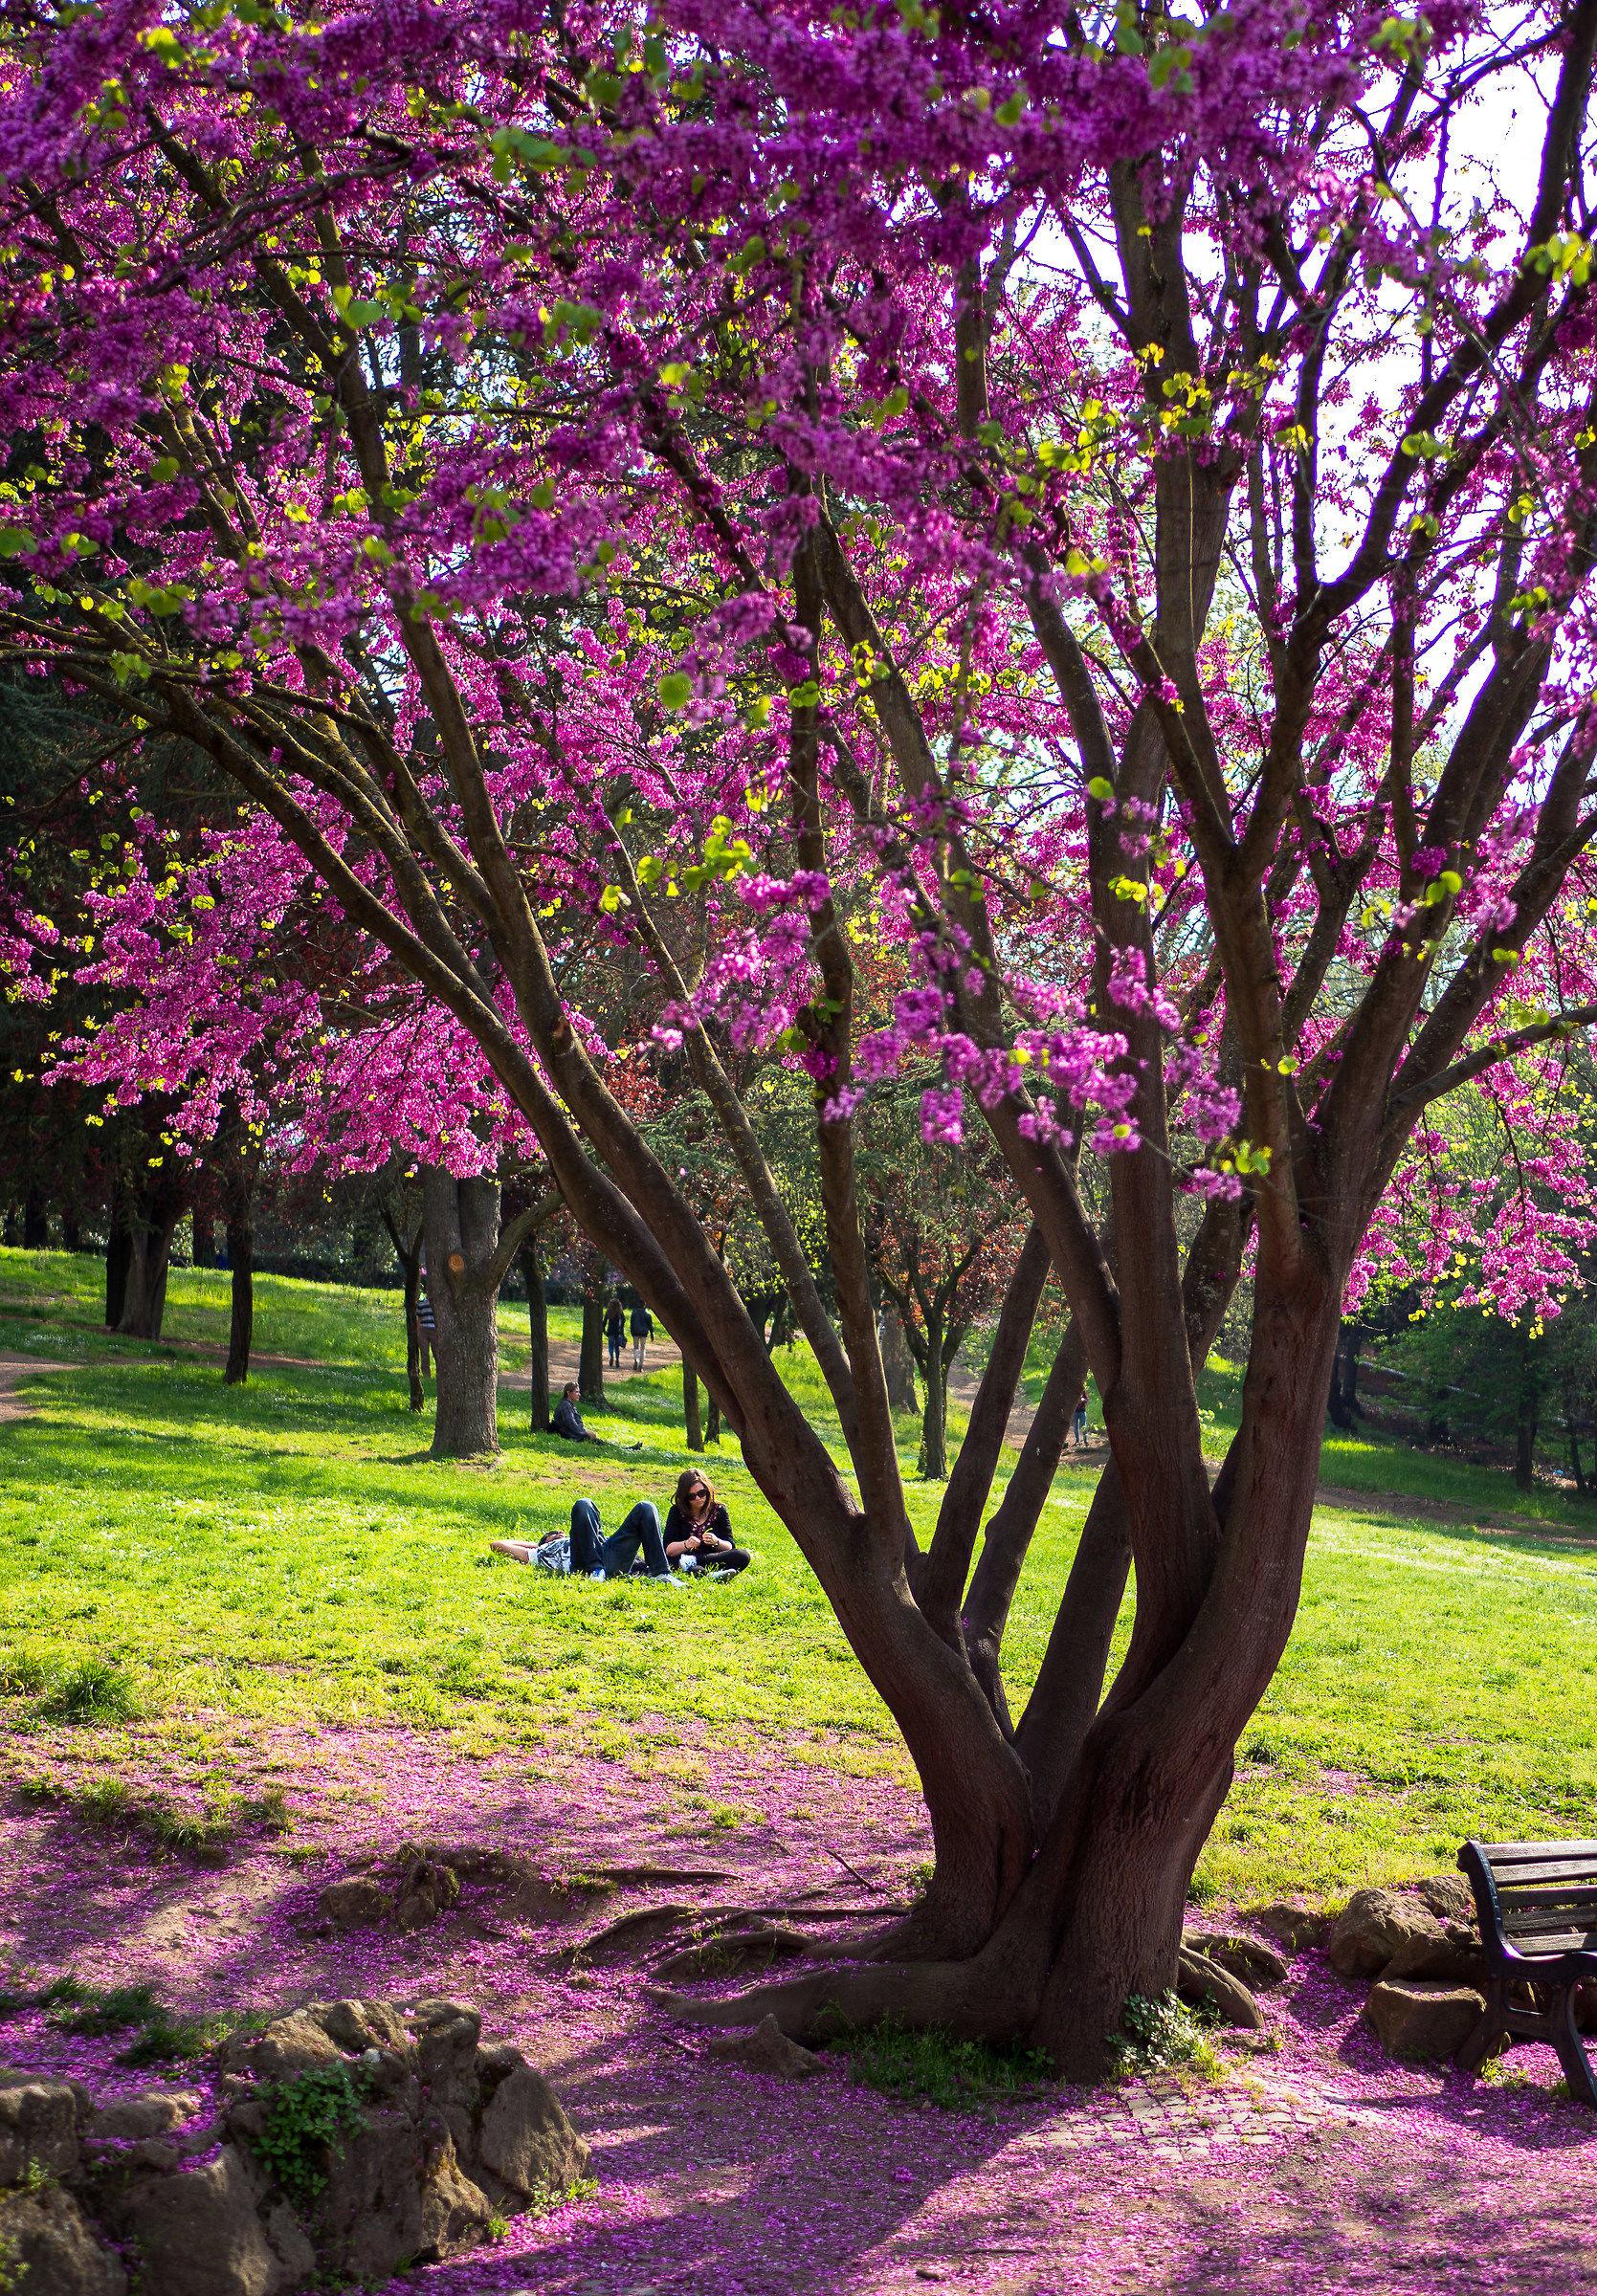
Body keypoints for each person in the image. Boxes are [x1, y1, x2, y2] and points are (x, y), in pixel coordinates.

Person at [492, 1497, 677, 1582]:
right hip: (581, 1564)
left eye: (561, 1531)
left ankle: (661, 1573)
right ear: (546, 1541)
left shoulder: (574, 1537)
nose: (561, 1532)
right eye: (555, 1532)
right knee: (582, 1504)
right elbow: (497, 1545)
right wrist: (537, 1545)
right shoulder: (541, 1553)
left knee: (646, 1507)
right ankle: (595, 1570)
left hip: (607, 1554)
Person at [662, 1468, 749, 1577]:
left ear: (708, 1490)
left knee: (742, 1555)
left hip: (712, 1558)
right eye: (692, 1496)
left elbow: (729, 1546)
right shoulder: (677, 1511)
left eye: (701, 1493)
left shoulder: (719, 1510)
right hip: (683, 1558)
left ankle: (695, 1562)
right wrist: (686, 1544)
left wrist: (716, 1542)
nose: (698, 1498)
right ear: (685, 1497)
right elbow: (668, 1550)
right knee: (695, 1570)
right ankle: (712, 1574)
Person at [550, 1380, 641, 1450]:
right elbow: (572, 1425)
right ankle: (625, 1449)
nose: (579, 1394)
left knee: (600, 1442)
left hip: (575, 1435)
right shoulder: (565, 1406)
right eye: (576, 1392)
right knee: (599, 1443)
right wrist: (585, 1432)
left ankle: (625, 1448)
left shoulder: (568, 1405)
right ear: (569, 1393)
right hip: (573, 1437)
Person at [416, 1284, 435, 1380]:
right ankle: (426, 1374)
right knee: (424, 1353)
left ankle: (440, 1374)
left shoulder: (437, 1304)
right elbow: (419, 1319)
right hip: (423, 1330)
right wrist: (417, 1331)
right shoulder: (421, 1303)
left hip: (434, 1330)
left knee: (437, 1353)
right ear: (426, 1291)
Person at [630, 1299, 654, 1371]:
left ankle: (636, 1360)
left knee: (636, 1347)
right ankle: (641, 1364)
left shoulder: (634, 1313)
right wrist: (652, 1334)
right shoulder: (648, 1314)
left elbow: (631, 1323)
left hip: (635, 1332)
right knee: (643, 1349)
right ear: (645, 1305)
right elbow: (650, 1325)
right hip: (644, 1333)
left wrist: (632, 1332)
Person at [605, 1293, 626, 1370]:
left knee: (610, 1346)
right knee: (617, 1347)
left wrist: (603, 1329)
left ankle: (611, 1357)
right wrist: (622, 1331)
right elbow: (623, 1320)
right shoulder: (620, 1312)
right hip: (618, 1331)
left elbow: (604, 1321)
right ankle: (617, 1360)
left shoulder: (608, 1311)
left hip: (610, 1331)